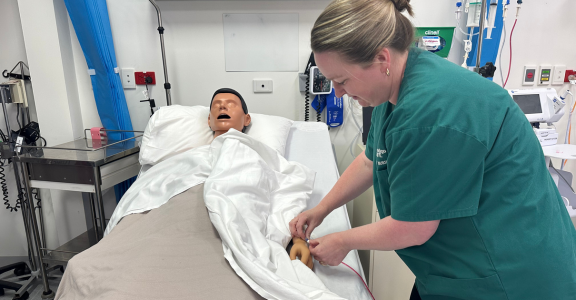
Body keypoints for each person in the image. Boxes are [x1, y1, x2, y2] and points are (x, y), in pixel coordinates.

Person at [289, 0, 576, 299]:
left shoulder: (431, 114)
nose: (337, 92)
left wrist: (343, 241)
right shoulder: (397, 88)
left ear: (381, 59)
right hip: (457, 266)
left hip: (508, 276)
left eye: (342, 80)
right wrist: (322, 209)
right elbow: (370, 160)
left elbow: (413, 227)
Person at [208, 87, 314, 270]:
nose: (222, 107)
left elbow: (287, 193)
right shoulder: (190, 157)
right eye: (217, 105)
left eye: (230, 104)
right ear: (209, 120)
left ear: (247, 119)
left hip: (237, 227)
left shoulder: (259, 156)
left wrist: (298, 240)